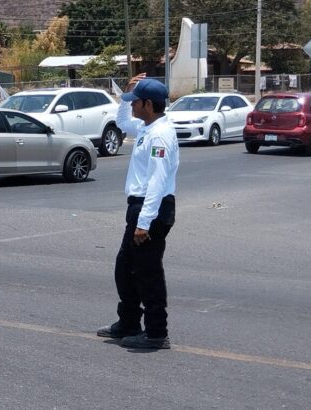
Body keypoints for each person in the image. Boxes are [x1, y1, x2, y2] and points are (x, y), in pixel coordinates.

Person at [97, 73, 180, 349]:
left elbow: (156, 183)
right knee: (126, 268)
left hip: (151, 210)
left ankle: (156, 332)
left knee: (148, 273)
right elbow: (122, 122)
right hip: (140, 208)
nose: (131, 105)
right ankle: (129, 322)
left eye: (135, 102)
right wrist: (126, 94)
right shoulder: (147, 127)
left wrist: (144, 222)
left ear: (147, 104)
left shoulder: (160, 136)